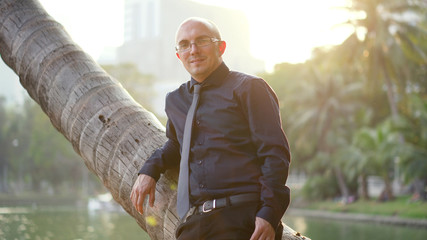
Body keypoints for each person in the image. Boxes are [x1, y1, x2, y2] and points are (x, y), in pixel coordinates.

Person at [130, 17, 291, 240]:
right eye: (185, 45)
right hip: (195, 223)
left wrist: (268, 214)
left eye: (202, 41)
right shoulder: (175, 100)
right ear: (179, 55)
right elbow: (177, 144)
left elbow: (275, 154)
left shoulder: (250, 88)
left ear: (221, 47)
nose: (193, 50)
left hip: (243, 218)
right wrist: (149, 169)